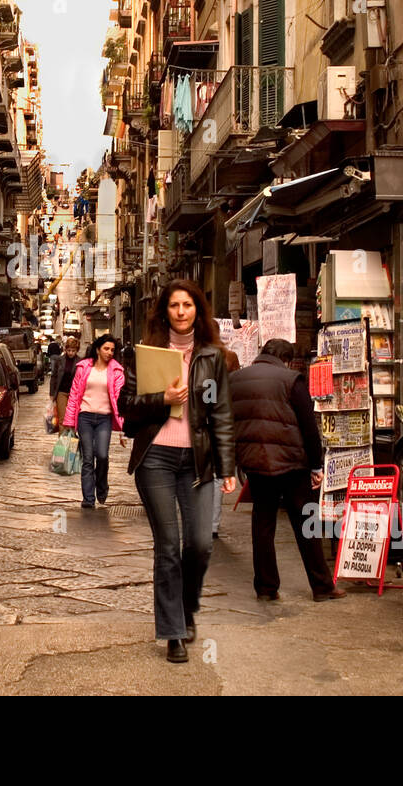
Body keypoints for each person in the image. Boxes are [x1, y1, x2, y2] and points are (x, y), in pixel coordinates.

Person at [118, 279, 236, 664]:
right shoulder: (146, 353)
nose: (181, 312)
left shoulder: (212, 357)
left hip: (198, 461)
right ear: (164, 311)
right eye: (174, 306)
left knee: (199, 545)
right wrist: (162, 400)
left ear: (197, 310)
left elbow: (220, 414)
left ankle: (186, 610)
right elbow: (128, 406)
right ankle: (173, 632)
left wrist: (228, 465)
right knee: (168, 546)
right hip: (156, 457)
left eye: (187, 305)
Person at [232, 339, 345, 603]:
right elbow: (308, 425)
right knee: (306, 522)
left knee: (262, 523)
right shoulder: (291, 379)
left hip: (256, 462)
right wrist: (316, 465)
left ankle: (266, 587)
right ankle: (322, 587)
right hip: (292, 463)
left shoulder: (236, 379)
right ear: (286, 359)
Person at [62, 334, 126, 508]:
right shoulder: (83, 367)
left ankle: (102, 486)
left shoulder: (117, 371)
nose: (110, 352)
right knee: (88, 458)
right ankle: (88, 499)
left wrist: (122, 426)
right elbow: (74, 395)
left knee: (102, 455)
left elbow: (120, 399)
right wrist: (68, 422)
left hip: (104, 418)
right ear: (98, 349)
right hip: (85, 417)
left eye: (112, 350)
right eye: (106, 348)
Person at [212, 348, 242, 538]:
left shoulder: (191, 355)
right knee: (216, 476)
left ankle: (200, 521)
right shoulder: (229, 356)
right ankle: (212, 524)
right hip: (221, 418)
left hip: (198, 421)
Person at [49, 336, 81, 428]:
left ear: (76, 350)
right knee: (62, 420)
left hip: (74, 394)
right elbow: (54, 376)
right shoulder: (60, 360)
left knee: (72, 419)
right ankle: (63, 442)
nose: (71, 353)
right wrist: (51, 394)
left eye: (73, 350)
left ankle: (71, 441)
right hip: (61, 392)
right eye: (69, 350)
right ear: (65, 349)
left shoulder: (79, 362)